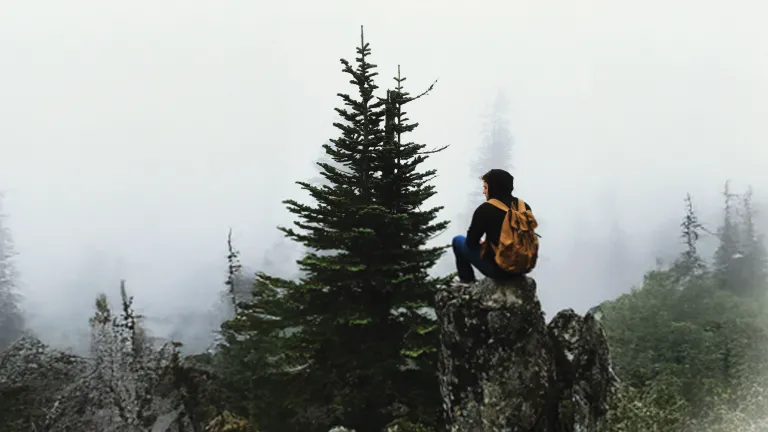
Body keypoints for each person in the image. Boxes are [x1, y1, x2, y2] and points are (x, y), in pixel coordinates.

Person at [452, 168, 532, 283]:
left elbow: (470, 243)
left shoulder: (485, 209)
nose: (484, 192)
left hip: (499, 271)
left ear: (493, 188)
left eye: (485, 187)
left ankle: (466, 281)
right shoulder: (524, 206)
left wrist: (483, 243)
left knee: (458, 240)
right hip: (521, 268)